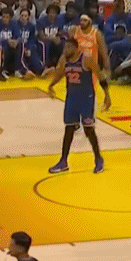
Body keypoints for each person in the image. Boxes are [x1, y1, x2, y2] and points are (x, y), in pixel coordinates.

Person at [47, 37, 110, 174]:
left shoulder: (86, 59)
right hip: (71, 98)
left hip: (86, 99)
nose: (66, 50)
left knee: (88, 130)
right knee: (69, 129)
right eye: (65, 47)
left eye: (69, 47)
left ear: (76, 49)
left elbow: (100, 77)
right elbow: (60, 74)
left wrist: (107, 95)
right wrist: (51, 85)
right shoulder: (65, 61)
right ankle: (63, 161)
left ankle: (98, 159)